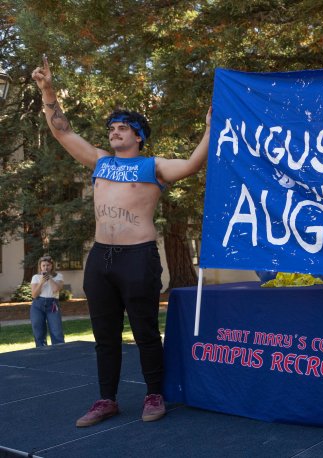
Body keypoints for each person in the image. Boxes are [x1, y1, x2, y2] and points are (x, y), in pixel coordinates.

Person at [31, 55, 211, 427]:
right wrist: (48, 91)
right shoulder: (99, 161)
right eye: (111, 127)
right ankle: (106, 399)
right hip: (101, 259)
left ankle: (154, 393)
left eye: (122, 127)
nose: (114, 131)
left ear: (138, 135)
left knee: (145, 331)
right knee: (105, 335)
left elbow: (193, 163)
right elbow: (62, 131)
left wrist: (210, 128)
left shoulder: (154, 166)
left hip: (138, 257)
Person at [30, 254, 66, 347]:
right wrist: (41, 282)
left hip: (53, 305)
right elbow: (34, 295)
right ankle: (42, 353)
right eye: (43, 265)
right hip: (38, 305)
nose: (46, 267)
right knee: (38, 332)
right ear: (40, 266)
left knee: (56, 331)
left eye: (48, 265)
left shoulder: (59, 276)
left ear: (52, 266)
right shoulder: (36, 277)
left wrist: (49, 278)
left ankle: (59, 352)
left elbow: (55, 289)